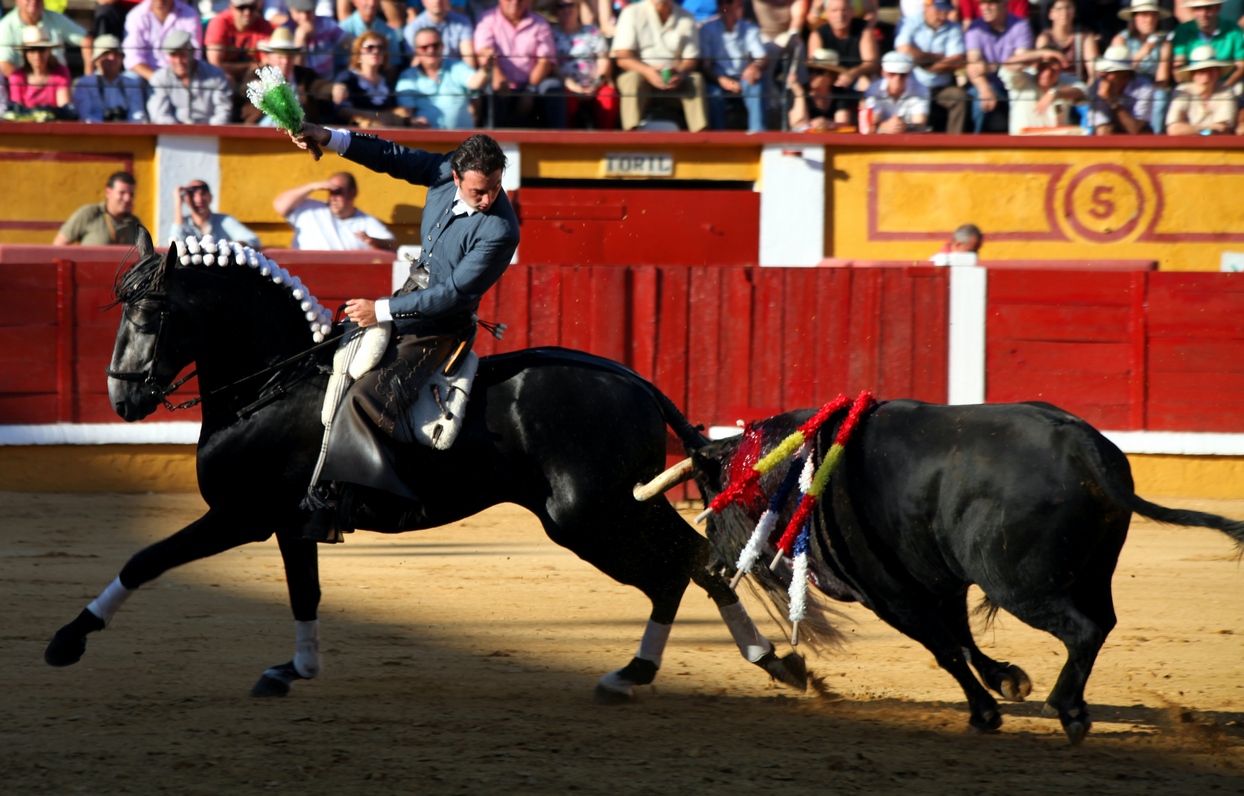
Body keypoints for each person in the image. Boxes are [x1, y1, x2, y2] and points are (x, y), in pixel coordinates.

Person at [284, 125, 519, 543]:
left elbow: (452, 295)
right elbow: (390, 156)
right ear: (458, 176)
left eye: (495, 188)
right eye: (480, 191)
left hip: (440, 329)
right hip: (409, 299)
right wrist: (324, 136)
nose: (490, 200)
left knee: (364, 399)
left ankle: (340, 503)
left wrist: (380, 310)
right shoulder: (445, 170)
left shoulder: (500, 230)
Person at [611, 0, 708, 132]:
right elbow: (623, 57)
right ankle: (631, 135)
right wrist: (647, 71)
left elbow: (691, 59)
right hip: (642, 78)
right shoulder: (631, 13)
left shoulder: (687, 17)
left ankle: (701, 139)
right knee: (632, 79)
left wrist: (680, 73)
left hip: (675, 80)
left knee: (695, 80)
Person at [475, 0, 565, 128]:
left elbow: (545, 61)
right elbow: (484, 53)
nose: (515, 2)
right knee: (490, 90)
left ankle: (558, 143)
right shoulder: (487, 19)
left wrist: (530, 90)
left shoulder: (540, 23)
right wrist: (498, 77)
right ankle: (489, 143)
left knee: (553, 87)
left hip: (532, 84)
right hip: (501, 82)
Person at [964, 0, 1038, 133]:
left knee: (1026, 100)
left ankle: (1021, 145)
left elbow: (1020, 63)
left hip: (1015, 85)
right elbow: (973, 66)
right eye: (982, 3)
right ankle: (974, 146)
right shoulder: (975, 27)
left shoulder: (1020, 25)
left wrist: (992, 67)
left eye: (991, 3)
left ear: (1004, 5)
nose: (985, 8)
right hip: (984, 84)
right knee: (979, 103)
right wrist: (985, 90)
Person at [273, 171, 397, 250]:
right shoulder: (310, 209)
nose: (333, 198)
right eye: (330, 192)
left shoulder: (365, 221)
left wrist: (373, 241)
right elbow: (280, 205)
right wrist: (312, 186)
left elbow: (392, 244)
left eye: (338, 192)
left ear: (352, 193)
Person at [395, 25, 490, 127]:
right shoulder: (407, 77)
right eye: (424, 47)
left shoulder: (456, 66)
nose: (430, 50)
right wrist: (413, 122)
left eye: (435, 45)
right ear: (416, 51)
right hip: (424, 140)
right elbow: (406, 112)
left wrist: (485, 67)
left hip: (463, 140)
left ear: (442, 47)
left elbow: (475, 83)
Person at [896, 0, 966, 133]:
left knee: (959, 97)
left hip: (940, 89)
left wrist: (924, 64)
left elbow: (957, 60)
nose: (943, 16)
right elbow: (902, 50)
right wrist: (936, 57)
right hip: (913, 87)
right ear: (926, 7)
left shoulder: (953, 27)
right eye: (939, 11)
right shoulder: (909, 23)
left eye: (946, 12)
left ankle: (954, 145)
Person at [241, 27, 336, 124]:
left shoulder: (304, 75)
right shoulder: (257, 73)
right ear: (269, 57)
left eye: (289, 57)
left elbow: (320, 86)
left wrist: (336, 88)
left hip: (300, 135)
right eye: (280, 57)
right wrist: (258, 86)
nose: (285, 62)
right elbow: (246, 87)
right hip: (262, 134)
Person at [806, 0, 879, 125]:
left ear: (851, 12)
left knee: (867, 83)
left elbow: (872, 63)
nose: (840, 15)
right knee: (817, 84)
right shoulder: (818, 34)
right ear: (827, 14)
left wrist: (852, 74)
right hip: (829, 81)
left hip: (856, 79)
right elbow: (815, 67)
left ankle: (868, 126)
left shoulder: (863, 29)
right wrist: (832, 78)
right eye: (835, 10)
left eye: (844, 10)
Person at [700, 0, 768, 132]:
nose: (725, 7)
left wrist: (755, 66)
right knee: (713, 93)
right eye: (720, 3)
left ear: (738, 5)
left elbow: (762, 57)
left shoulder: (750, 28)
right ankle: (717, 138)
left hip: (743, 77)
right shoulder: (707, 29)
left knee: (756, 85)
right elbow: (705, 66)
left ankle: (758, 134)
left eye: (729, 2)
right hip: (717, 78)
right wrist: (721, 80)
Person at [146, 29, 235, 125]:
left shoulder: (216, 75)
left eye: (182, 55)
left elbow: (223, 112)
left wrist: (208, 133)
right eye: (173, 55)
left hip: (210, 134)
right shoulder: (160, 78)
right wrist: (179, 133)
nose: (178, 61)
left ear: (193, 52)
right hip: (172, 135)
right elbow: (159, 115)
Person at [553, 0, 617, 128]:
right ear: (555, 10)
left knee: (609, 96)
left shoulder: (592, 30)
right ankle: (564, 142)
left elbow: (603, 59)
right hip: (567, 86)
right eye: (561, 6)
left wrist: (595, 85)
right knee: (562, 99)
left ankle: (606, 142)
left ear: (578, 8)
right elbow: (552, 66)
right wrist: (573, 87)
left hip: (595, 85)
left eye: (571, 5)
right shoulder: (550, 33)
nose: (566, 9)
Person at [1110, 1, 1172, 132]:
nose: (1149, 20)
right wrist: (1142, 53)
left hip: (1151, 86)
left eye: (1153, 15)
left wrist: (1149, 91)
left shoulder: (1164, 43)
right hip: (1126, 84)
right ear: (1135, 17)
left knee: (1161, 96)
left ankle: (1156, 138)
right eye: (1144, 14)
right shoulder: (1121, 40)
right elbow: (1117, 71)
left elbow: (1162, 79)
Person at [333, 30, 408, 125]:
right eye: (369, 48)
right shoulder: (347, 77)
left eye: (380, 48)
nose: (376, 51)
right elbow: (341, 110)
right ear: (359, 53)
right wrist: (375, 116)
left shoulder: (387, 83)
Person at [0, 0, 89, 80]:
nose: (34, 1)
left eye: (42, 49)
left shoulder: (55, 18)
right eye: (31, 50)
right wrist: (31, 85)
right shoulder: (5, 26)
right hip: (23, 92)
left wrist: (88, 78)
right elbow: (4, 66)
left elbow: (87, 40)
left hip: (59, 84)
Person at [1001, 51, 1086, 133]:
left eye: (1053, 69)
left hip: (1055, 143)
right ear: (1036, 66)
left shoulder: (1066, 81)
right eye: (1043, 68)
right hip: (1023, 142)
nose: (1047, 73)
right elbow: (1010, 65)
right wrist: (1042, 53)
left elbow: (1081, 91)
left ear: (1060, 69)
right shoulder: (1022, 80)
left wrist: (1055, 93)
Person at [72, 33, 149, 123]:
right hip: (93, 135)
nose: (112, 58)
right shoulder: (84, 84)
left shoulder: (133, 84)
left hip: (127, 134)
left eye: (116, 54)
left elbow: (138, 115)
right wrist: (107, 128)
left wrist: (122, 128)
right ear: (96, 60)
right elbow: (84, 117)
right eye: (106, 53)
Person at [53, 171, 143, 247]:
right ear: (108, 192)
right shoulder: (89, 214)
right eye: (122, 193)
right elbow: (59, 245)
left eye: (131, 194)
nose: (127, 199)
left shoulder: (134, 223)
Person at [123, 0, 203, 82]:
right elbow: (132, 59)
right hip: (148, 77)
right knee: (131, 78)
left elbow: (195, 54)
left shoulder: (189, 13)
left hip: (181, 74)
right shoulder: (136, 15)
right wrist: (158, 80)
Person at [1166, 43, 1239, 133]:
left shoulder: (1226, 92)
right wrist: (1205, 130)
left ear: (1218, 73)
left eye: (1210, 70)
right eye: (1200, 71)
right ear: (1192, 75)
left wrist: (1189, 129)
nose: (1206, 75)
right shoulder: (1182, 91)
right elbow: (1174, 129)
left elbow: (1223, 128)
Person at [169, 180, 263, 248]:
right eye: (193, 195)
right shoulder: (183, 223)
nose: (199, 200)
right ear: (186, 200)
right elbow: (175, 244)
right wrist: (178, 205)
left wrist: (227, 247)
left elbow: (253, 240)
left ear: (210, 197)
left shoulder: (224, 220)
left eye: (203, 194)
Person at [1087, 44, 1155, 134]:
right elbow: (1102, 130)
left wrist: (1112, 101)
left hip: (1135, 132)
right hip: (1110, 132)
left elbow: (1134, 129)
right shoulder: (1097, 86)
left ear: (1125, 75)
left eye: (1109, 72)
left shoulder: (1145, 88)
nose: (1103, 75)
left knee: (1146, 133)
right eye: (1103, 71)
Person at [5, 24, 72, 114]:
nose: (37, 55)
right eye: (32, 50)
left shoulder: (61, 73)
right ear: (25, 52)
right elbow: (17, 113)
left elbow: (64, 109)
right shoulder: (16, 77)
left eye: (41, 49)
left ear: (49, 50)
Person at [205, 0, 275, 85]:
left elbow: (267, 63)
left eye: (251, 7)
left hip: (253, 79)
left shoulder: (263, 26)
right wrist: (249, 66)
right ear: (231, 6)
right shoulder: (219, 22)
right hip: (223, 79)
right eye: (241, 7)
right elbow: (215, 65)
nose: (247, 12)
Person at [862, 50, 929, 132]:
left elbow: (920, 126)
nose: (897, 78)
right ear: (883, 73)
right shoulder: (874, 89)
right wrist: (887, 126)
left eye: (902, 75)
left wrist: (905, 127)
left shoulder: (920, 89)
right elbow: (871, 125)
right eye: (892, 74)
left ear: (909, 74)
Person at [1035, 0, 1099, 83]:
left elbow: (1093, 72)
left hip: (1078, 87)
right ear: (1051, 14)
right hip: (1052, 85)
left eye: (1068, 8)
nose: (1064, 12)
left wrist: (1088, 91)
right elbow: (1041, 68)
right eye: (1059, 9)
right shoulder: (1045, 37)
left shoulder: (1085, 36)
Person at [786, 46, 851, 128]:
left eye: (820, 72)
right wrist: (800, 94)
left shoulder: (839, 93)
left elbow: (844, 123)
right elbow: (797, 124)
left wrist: (829, 124)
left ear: (832, 76)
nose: (813, 75)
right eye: (811, 70)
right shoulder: (798, 91)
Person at [405, 0, 477, 67]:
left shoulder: (463, 22)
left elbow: (468, 59)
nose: (437, 1)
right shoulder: (412, 29)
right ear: (423, 1)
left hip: (457, 74)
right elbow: (415, 64)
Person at [339, 0, 405, 71]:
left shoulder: (388, 31)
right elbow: (340, 64)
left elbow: (392, 66)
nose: (371, 3)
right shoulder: (343, 30)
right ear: (355, 2)